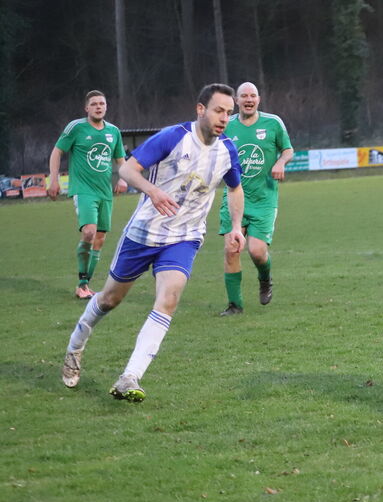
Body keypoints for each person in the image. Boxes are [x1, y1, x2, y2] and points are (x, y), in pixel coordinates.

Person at [60, 84, 245, 401]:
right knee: (109, 300)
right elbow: (128, 169)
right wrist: (153, 191)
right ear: (200, 109)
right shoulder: (172, 137)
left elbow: (235, 189)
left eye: (229, 112)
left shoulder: (227, 150)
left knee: (168, 300)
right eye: (218, 110)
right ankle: (75, 346)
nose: (225, 118)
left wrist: (236, 226)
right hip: (144, 233)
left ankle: (129, 377)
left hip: (184, 237)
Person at [217, 82, 294, 315]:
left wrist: (280, 162)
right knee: (232, 250)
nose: (248, 100)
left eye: (252, 96)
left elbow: (288, 150)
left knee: (257, 251)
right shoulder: (226, 126)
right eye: (244, 96)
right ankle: (235, 305)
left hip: (264, 199)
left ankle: (265, 278)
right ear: (236, 101)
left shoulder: (273, 122)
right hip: (233, 196)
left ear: (258, 99)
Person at [47, 91, 128, 299]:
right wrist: (53, 179)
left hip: (105, 192)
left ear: (107, 107)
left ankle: (84, 285)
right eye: (94, 104)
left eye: (102, 103)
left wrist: (123, 178)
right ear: (87, 108)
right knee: (89, 232)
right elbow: (57, 152)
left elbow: (120, 160)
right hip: (83, 190)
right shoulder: (76, 128)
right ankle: (83, 285)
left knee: (100, 239)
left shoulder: (114, 131)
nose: (98, 107)